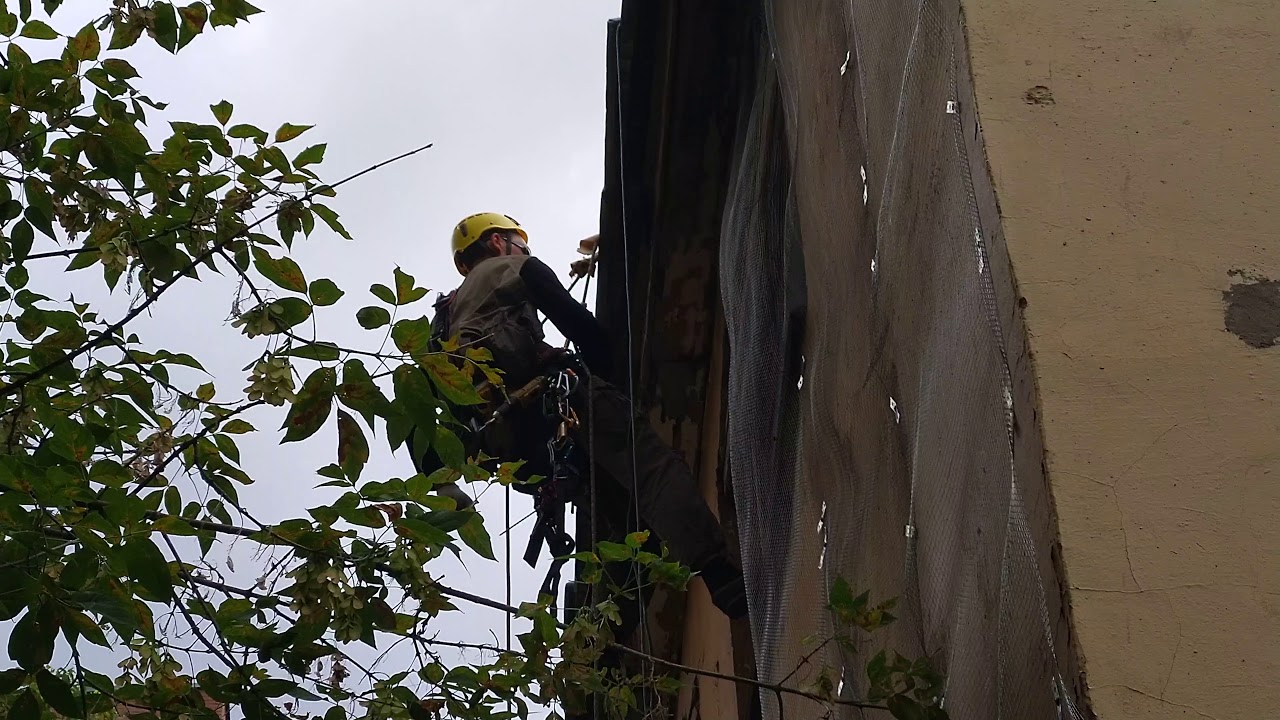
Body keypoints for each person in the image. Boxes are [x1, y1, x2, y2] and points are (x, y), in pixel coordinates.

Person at [412, 212, 747, 620]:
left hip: (519, 447)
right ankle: (721, 575)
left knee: (619, 521)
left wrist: (442, 481)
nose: (523, 250)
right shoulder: (510, 266)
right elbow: (574, 320)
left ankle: (607, 627)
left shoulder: (442, 322)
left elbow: (428, 403)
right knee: (650, 468)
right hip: (559, 403)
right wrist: (606, 368)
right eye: (519, 243)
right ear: (498, 242)